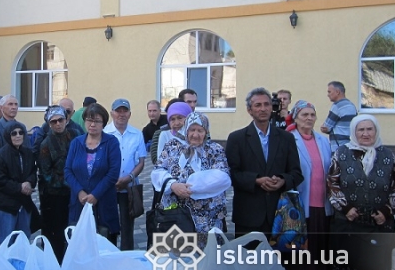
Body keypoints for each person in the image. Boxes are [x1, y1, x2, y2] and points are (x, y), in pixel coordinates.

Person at [327, 115, 395, 270]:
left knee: (380, 260)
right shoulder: (341, 153)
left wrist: (387, 211)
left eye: (370, 129)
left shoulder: (387, 155)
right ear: (354, 132)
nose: (365, 134)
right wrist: (346, 207)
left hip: (379, 219)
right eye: (361, 130)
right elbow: (332, 184)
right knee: (348, 260)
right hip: (350, 218)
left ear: (376, 131)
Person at [225, 87, 303, 238]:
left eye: (266, 104)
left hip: (280, 214)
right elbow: (231, 174)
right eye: (258, 105)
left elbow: (296, 173)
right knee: (249, 260)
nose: (263, 109)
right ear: (249, 110)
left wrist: (282, 180)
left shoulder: (286, 138)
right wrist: (255, 180)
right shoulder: (237, 139)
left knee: (278, 261)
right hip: (248, 215)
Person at [151, 111, 230, 249]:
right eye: (192, 130)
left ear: (206, 131)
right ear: (186, 130)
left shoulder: (215, 149)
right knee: (178, 257)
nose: (195, 134)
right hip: (176, 215)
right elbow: (158, 170)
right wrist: (174, 185)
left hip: (209, 217)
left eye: (200, 130)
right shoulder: (172, 146)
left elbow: (222, 177)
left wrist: (190, 188)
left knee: (208, 259)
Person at [283, 100, 333, 270]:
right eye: (304, 115)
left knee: (318, 247)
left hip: (321, 202)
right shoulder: (289, 140)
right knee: (297, 246)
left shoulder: (323, 140)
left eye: (312, 114)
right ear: (295, 117)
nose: (309, 118)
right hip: (299, 202)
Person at [65, 103, 121, 245]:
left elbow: (113, 173)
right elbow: (68, 171)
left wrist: (95, 194)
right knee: (80, 246)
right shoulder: (76, 143)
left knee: (104, 246)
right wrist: (79, 192)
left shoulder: (111, 142)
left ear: (103, 123)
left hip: (104, 202)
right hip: (79, 203)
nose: (92, 124)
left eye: (97, 121)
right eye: (89, 120)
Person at [38, 105, 82, 262]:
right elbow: (46, 174)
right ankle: (55, 263)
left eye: (60, 120)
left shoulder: (76, 135)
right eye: (53, 121)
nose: (58, 124)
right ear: (49, 124)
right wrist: (70, 182)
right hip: (54, 196)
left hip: (76, 194)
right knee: (55, 232)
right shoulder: (46, 145)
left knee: (74, 230)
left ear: (66, 119)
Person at [104, 98, 147, 251]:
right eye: (118, 111)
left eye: (125, 111)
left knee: (128, 226)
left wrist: (129, 177)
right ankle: (109, 255)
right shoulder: (104, 133)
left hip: (128, 187)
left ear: (130, 114)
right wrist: (112, 180)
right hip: (108, 187)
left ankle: (127, 256)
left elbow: (141, 162)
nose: (121, 114)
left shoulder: (137, 134)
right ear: (112, 113)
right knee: (109, 224)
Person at [0, 120, 37, 247]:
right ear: (7, 135)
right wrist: (19, 187)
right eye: (14, 133)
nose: (18, 136)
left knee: (23, 240)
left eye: (21, 133)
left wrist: (29, 182)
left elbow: (33, 172)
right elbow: (0, 180)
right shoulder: (0, 155)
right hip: (6, 206)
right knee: (5, 241)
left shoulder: (28, 153)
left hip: (24, 203)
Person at [320, 81, 357, 152]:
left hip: (338, 147)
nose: (328, 95)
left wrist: (323, 128)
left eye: (329, 92)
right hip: (351, 146)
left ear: (337, 92)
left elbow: (326, 127)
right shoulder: (352, 106)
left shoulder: (337, 106)